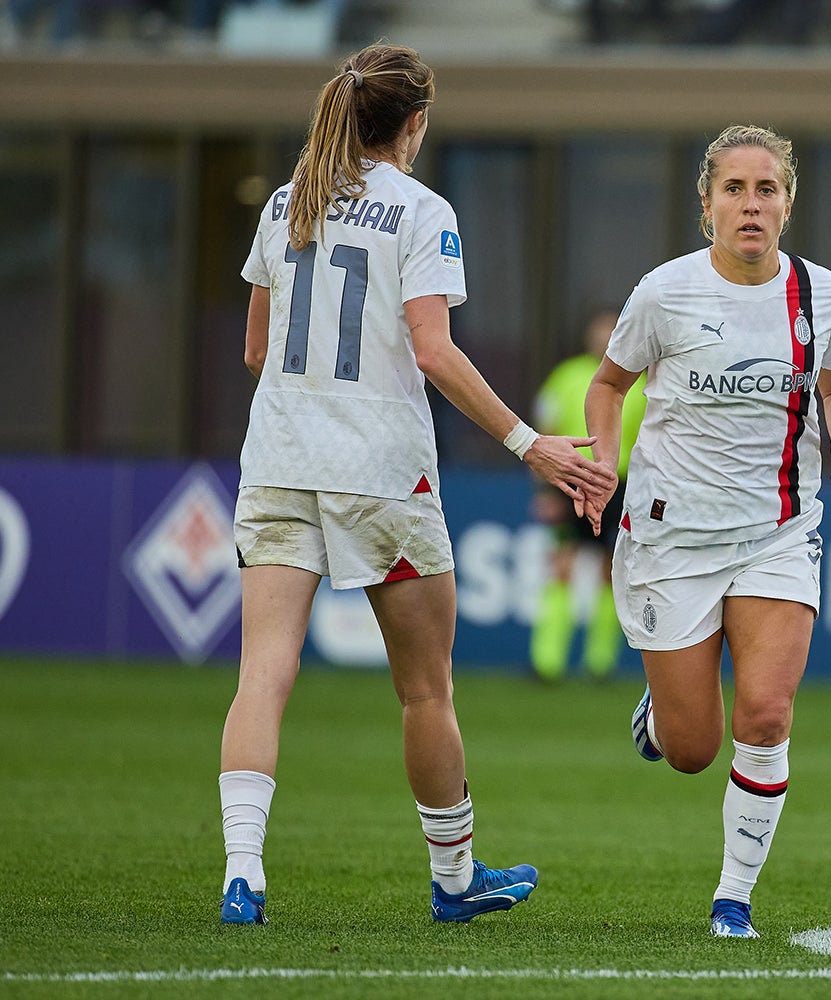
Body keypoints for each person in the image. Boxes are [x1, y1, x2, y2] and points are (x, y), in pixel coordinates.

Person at [217, 43, 614, 927]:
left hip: (277, 461)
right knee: (425, 688)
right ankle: (455, 879)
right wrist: (528, 444)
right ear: (415, 124)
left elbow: (254, 351)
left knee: (262, 673)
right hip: (381, 475)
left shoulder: (288, 203)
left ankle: (244, 873)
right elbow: (432, 351)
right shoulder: (422, 211)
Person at [584, 124, 831, 939]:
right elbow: (608, 388)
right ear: (706, 203)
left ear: (788, 202)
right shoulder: (664, 292)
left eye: (766, 189)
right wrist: (604, 457)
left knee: (767, 717)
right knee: (691, 750)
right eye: (734, 190)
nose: (751, 205)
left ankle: (732, 901)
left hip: (779, 530)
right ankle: (662, 715)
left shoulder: (822, 295)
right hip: (671, 539)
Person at [528, 309, 646, 683]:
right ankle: (547, 661)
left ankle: (600, 663)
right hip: (569, 480)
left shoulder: (641, 385)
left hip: (620, 486)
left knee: (609, 571)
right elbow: (544, 429)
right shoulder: (567, 376)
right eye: (599, 330)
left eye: (612, 330)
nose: (604, 337)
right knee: (561, 566)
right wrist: (544, 489)